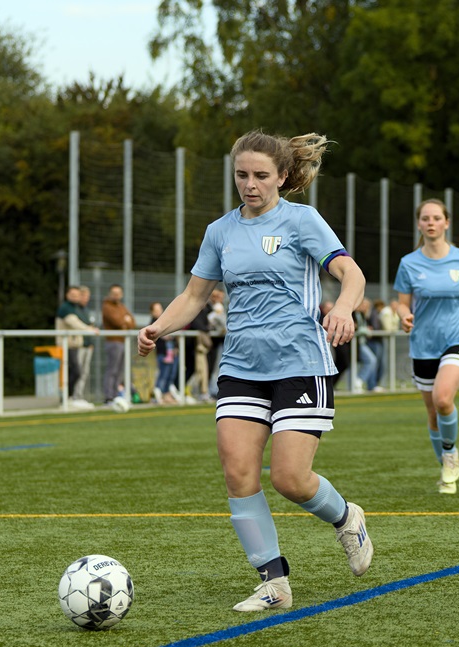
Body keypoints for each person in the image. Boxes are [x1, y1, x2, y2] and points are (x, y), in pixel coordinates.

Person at [137, 128, 373, 612]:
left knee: (290, 478)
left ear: (282, 176)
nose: (250, 184)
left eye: (261, 175)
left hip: (301, 363)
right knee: (238, 471)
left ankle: (347, 517)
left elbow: (351, 273)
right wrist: (158, 327)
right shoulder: (220, 231)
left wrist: (344, 308)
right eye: (242, 174)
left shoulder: (302, 220)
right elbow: (194, 296)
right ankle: (274, 583)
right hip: (241, 366)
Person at [394, 198, 459, 494]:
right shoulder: (408, 263)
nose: (431, 223)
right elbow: (401, 303)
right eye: (425, 218)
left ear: (446, 223)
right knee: (432, 413)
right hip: (424, 344)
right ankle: (446, 466)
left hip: (458, 337)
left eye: (437, 218)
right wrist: (404, 316)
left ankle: (450, 455)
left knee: (442, 399)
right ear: (419, 224)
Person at [55, 286, 94, 410]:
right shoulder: (66, 308)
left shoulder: (76, 308)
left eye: (77, 295)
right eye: (73, 295)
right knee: (74, 371)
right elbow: (74, 323)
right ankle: (66, 398)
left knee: (74, 372)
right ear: (67, 295)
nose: (75, 297)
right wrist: (89, 329)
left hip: (74, 345)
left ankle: (69, 398)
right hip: (67, 345)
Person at [102, 284, 136, 404]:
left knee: (120, 370)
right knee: (112, 369)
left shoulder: (121, 306)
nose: (116, 296)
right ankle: (109, 397)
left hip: (122, 341)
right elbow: (117, 321)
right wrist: (124, 321)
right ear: (110, 294)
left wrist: (126, 322)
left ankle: (116, 395)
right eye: (114, 293)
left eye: (118, 293)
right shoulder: (107, 306)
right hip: (113, 342)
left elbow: (132, 322)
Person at [149, 302, 180, 404]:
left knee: (171, 375)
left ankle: (167, 395)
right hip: (162, 353)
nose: (159, 312)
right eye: (156, 310)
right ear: (152, 312)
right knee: (163, 375)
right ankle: (158, 396)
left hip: (172, 353)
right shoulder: (152, 324)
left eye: (160, 309)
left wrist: (176, 347)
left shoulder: (166, 322)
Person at [72, 286, 97, 405]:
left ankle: (79, 395)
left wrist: (91, 343)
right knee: (77, 371)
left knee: (85, 372)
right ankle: (74, 396)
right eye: (83, 296)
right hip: (79, 346)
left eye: (87, 296)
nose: (85, 298)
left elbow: (91, 327)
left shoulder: (87, 310)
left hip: (88, 346)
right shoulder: (74, 310)